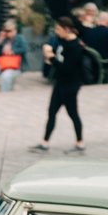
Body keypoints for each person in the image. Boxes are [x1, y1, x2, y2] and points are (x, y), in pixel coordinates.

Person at [30, 16, 85, 154]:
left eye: (59, 29)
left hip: (71, 85)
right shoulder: (63, 40)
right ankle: (44, 142)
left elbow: (67, 68)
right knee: (52, 112)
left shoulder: (75, 47)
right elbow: (54, 47)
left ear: (66, 29)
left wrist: (51, 58)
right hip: (60, 83)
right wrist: (48, 49)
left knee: (73, 113)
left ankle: (80, 143)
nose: (57, 32)